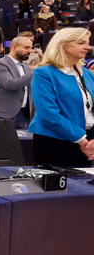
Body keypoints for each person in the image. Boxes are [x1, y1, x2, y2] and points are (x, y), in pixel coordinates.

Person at [29, 28, 94, 166]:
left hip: (88, 144)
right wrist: (81, 139)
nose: (88, 47)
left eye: (88, 43)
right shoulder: (44, 73)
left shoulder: (87, 74)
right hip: (54, 142)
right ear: (63, 45)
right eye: (81, 43)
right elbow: (48, 113)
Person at [0, 36, 34, 130]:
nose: (30, 51)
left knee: (21, 144)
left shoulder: (27, 68)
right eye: (26, 48)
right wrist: (36, 72)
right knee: (1, 144)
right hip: (1, 114)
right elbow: (10, 84)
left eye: (31, 47)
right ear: (14, 48)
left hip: (23, 114)